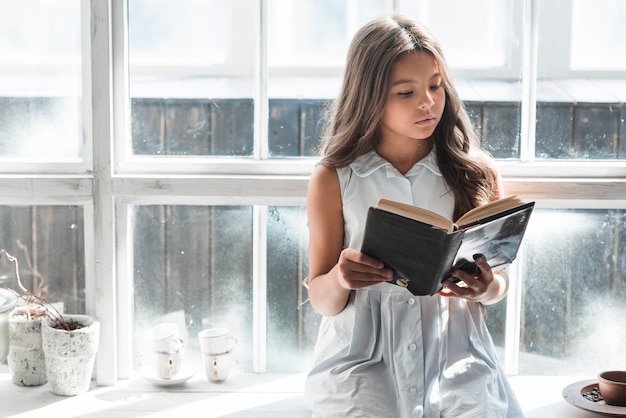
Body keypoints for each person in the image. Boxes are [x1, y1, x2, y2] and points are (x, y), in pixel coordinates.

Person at [304, 13, 524, 418]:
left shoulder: (475, 171)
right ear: (369, 97)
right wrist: (339, 277)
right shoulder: (335, 177)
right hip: (362, 357)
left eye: (436, 86)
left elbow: (500, 284)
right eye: (406, 92)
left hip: (455, 351)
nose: (428, 102)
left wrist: (484, 289)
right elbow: (320, 295)